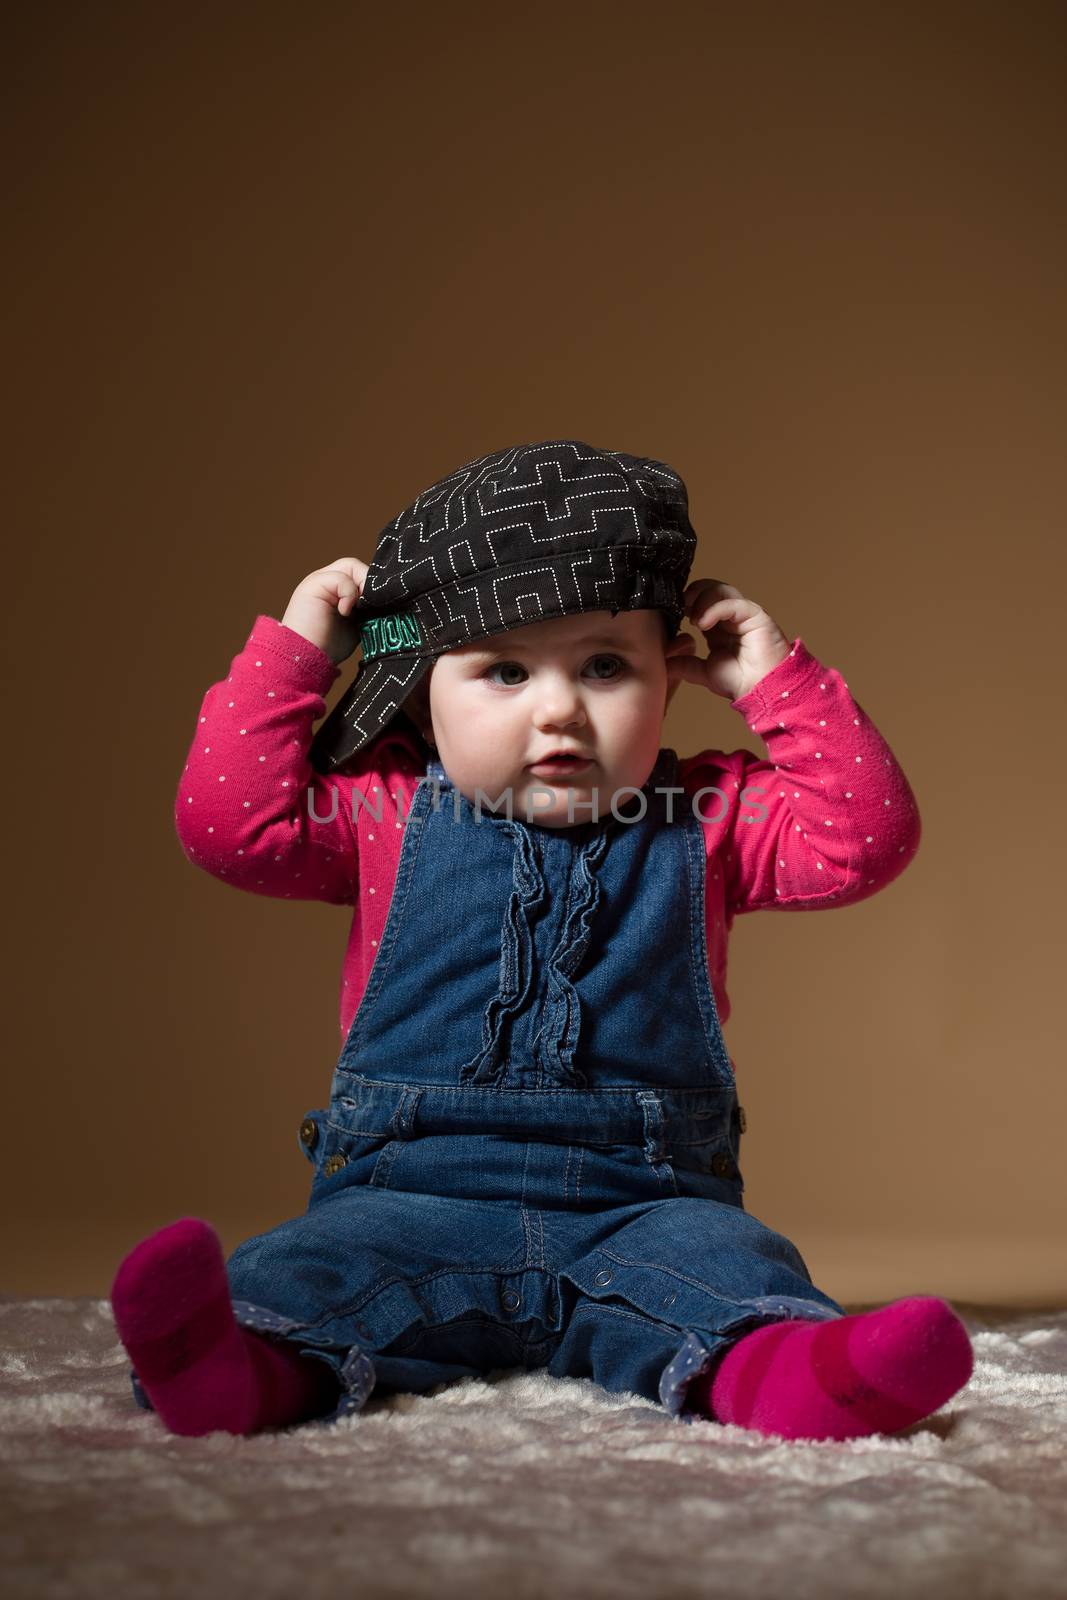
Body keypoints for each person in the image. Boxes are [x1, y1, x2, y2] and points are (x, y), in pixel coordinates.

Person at [111, 439, 974, 1441]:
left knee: (732, 1273)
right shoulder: (382, 809)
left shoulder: (709, 815)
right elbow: (226, 825)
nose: (559, 708)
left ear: (670, 672)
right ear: (422, 692)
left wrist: (775, 681)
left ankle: (800, 1376)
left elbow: (866, 840)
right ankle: (235, 1373)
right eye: (503, 671)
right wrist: (297, 654)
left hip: (643, 1204)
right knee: (306, 1275)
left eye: (605, 664)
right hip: (406, 1194)